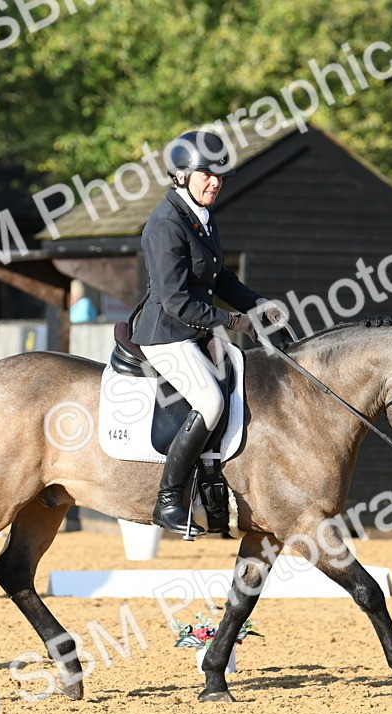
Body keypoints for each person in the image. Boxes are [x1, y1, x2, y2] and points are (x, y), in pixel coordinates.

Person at [131, 129, 285, 535]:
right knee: (211, 401)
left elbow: (220, 279)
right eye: (206, 175)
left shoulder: (200, 217)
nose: (215, 183)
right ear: (181, 174)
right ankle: (167, 501)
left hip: (194, 331)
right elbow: (176, 301)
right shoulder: (166, 224)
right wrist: (236, 322)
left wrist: (258, 306)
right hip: (166, 333)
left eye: (220, 177)